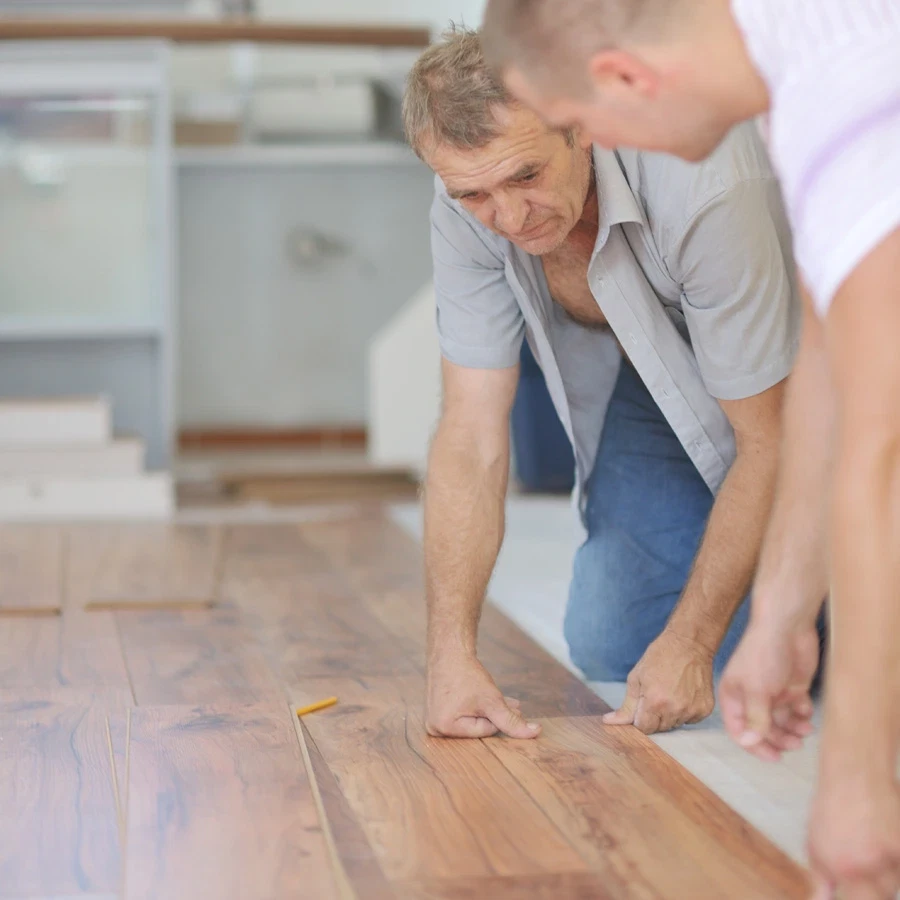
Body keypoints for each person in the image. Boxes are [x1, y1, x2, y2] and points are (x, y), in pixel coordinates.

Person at [480, 2, 900, 897]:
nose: (595, 151)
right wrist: (783, 614)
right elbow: (822, 357)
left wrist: (858, 780)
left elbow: (883, 449)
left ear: (628, 81)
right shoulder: (797, 66)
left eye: (583, 127)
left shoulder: (854, 91)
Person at [402, 26, 808, 743]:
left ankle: (815, 597)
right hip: (655, 376)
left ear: (579, 125)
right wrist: (450, 658)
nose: (509, 218)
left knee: (741, 630)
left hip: (803, 380)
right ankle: (801, 598)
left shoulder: (701, 174)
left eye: (525, 176)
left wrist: (693, 644)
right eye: (475, 194)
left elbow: (769, 437)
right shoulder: (464, 204)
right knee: (612, 639)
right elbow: (469, 436)